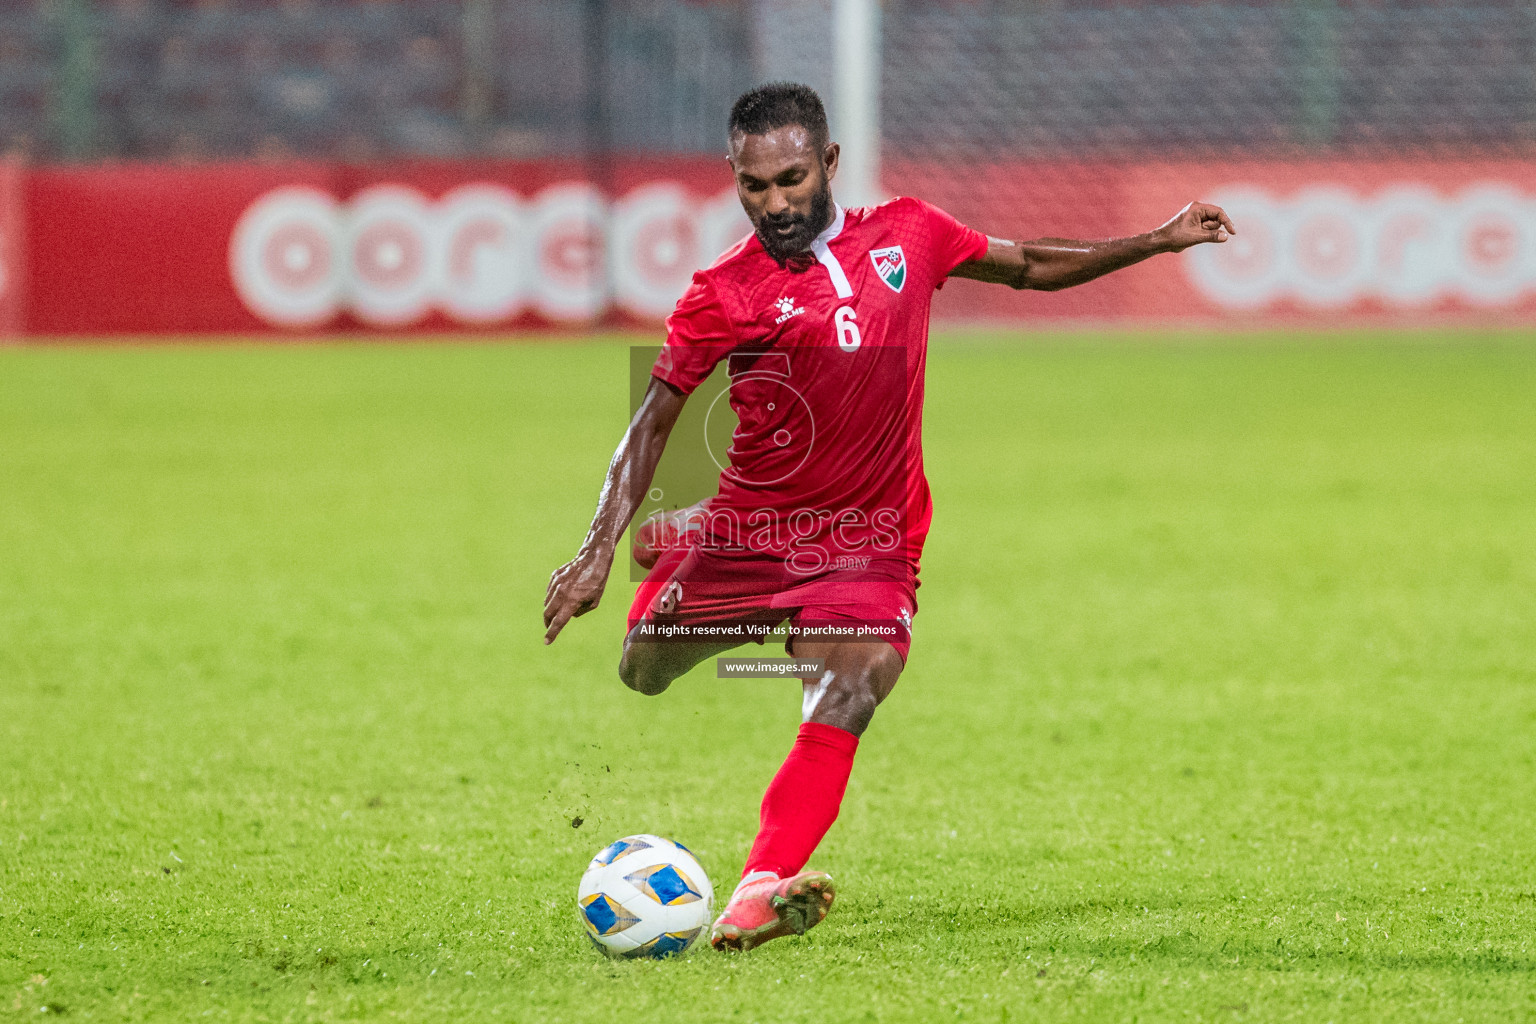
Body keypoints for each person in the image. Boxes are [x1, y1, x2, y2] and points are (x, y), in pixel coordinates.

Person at [543, 82, 1235, 952]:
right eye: (754, 185)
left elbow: (1027, 266)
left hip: (866, 547)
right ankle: (766, 625)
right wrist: (596, 550)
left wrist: (1157, 240)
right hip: (750, 536)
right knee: (641, 669)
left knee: (855, 678)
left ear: (828, 162)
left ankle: (760, 888)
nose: (776, 201)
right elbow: (653, 424)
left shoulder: (910, 233)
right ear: (733, 178)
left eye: (792, 177)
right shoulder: (724, 292)